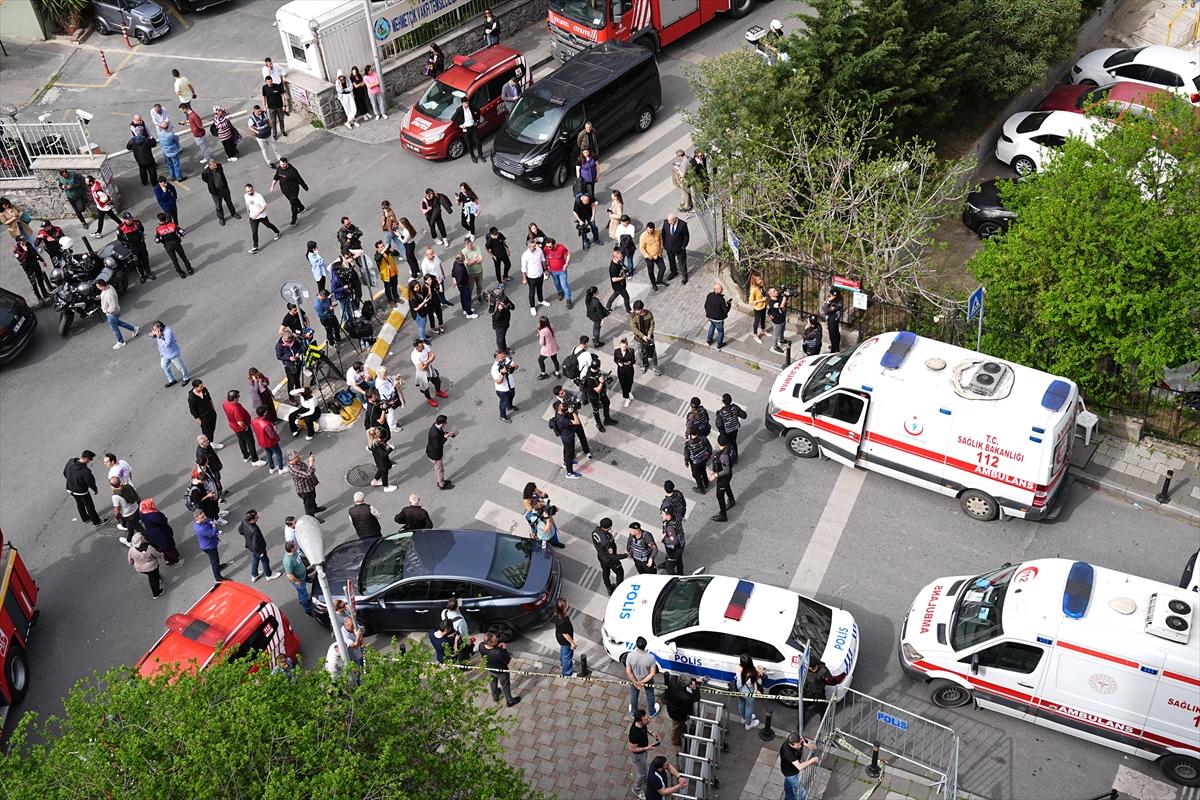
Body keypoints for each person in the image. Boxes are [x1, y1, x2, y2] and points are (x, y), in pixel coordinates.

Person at [65, 450, 106, 526]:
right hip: (81, 491)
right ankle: (96, 521)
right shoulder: (85, 471)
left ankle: (85, 518)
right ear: (87, 458)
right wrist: (95, 489)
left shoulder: (70, 461)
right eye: (90, 459)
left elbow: (65, 473)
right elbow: (90, 482)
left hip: (70, 488)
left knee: (79, 503)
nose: (91, 461)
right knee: (89, 506)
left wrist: (72, 480)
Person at [478, 632, 520, 706]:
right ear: (490, 643)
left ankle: (495, 696)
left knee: (493, 683)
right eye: (495, 640)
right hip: (501, 672)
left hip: (490, 669)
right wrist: (504, 649)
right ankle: (509, 701)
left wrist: (497, 646)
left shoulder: (481, 646)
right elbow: (507, 661)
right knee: (505, 685)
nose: (497, 640)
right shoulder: (498, 652)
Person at [223, 389, 263, 464]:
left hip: (234, 426)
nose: (239, 397)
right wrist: (246, 427)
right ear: (235, 398)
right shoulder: (236, 409)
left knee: (241, 441)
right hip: (242, 428)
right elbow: (240, 422)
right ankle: (255, 460)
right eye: (238, 396)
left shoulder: (225, 403)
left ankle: (246, 456)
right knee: (250, 442)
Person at [239, 510, 280, 582]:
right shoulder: (254, 530)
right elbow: (256, 544)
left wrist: (248, 537)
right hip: (258, 549)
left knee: (255, 559)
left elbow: (240, 531)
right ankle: (269, 575)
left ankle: (254, 574)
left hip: (250, 546)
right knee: (265, 561)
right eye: (256, 516)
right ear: (252, 519)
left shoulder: (244, 521)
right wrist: (260, 552)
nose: (258, 517)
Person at [97, 279, 138, 350]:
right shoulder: (108, 287)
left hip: (112, 314)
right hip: (114, 313)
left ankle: (121, 341)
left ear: (102, 286)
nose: (98, 288)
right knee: (118, 323)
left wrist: (106, 311)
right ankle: (133, 329)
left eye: (98, 287)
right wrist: (100, 296)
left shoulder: (109, 295)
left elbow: (113, 307)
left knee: (114, 328)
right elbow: (105, 294)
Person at [665, 673, 703, 747]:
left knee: (679, 725)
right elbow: (696, 698)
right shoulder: (684, 696)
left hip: (672, 708)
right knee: (677, 727)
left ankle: (682, 729)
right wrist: (695, 688)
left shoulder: (672, 680)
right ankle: (675, 741)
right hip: (678, 715)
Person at [139, 499, 180, 565]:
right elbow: (164, 520)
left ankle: (167, 559)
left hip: (151, 535)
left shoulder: (142, 513)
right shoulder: (155, 516)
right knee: (169, 548)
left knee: (162, 549)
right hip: (161, 534)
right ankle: (174, 558)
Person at [627, 709, 658, 800]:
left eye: (647, 718)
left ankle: (645, 781)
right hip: (638, 756)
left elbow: (644, 729)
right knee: (641, 774)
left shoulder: (641, 725)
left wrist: (651, 733)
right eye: (646, 720)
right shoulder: (634, 734)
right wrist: (646, 748)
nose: (649, 720)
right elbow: (631, 748)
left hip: (643, 752)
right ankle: (636, 789)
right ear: (639, 721)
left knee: (644, 770)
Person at [626, 635, 659, 717]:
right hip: (647, 680)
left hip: (634, 679)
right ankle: (651, 712)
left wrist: (636, 682)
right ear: (645, 645)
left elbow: (628, 671)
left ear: (637, 645)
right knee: (650, 694)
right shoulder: (651, 658)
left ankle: (633, 712)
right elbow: (652, 673)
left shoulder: (630, 655)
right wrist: (642, 682)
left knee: (634, 694)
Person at [590, 517, 626, 593]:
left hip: (601, 557)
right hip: (610, 560)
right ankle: (619, 590)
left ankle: (609, 587)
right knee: (620, 572)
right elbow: (612, 556)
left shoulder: (595, 531)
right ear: (609, 527)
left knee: (605, 572)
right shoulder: (607, 541)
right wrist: (625, 555)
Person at [583, 355, 618, 432]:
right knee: (596, 410)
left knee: (606, 402)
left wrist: (605, 377)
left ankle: (607, 419)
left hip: (601, 393)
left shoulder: (594, 369)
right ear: (598, 367)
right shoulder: (590, 379)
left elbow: (599, 375)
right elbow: (597, 390)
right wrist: (601, 382)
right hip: (594, 396)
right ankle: (599, 424)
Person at [781, 732, 821, 800]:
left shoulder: (799, 740)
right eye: (797, 746)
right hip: (790, 773)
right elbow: (799, 766)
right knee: (803, 793)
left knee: (788, 784)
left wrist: (806, 744)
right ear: (791, 744)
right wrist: (813, 760)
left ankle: (788, 798)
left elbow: (814, 747)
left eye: (800, 744)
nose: (800, 746)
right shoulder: (787, 751)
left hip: (793, 770)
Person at [199, 159, 239, 227]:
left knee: (229, 202)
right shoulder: (206, 172)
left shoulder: (219, 166)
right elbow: (205, 179)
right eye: (213, 164)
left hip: (224, 188)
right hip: (216, 192)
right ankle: (221, 218)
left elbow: (222, 174)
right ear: (209, 165)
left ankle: (233, 213)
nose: (215, 165)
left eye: (215, 163)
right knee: (218, 206)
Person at [153, 211, 193, 278]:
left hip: (168, 246)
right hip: (176, 243)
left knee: (174, 260)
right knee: (183, 257)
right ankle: (189, 270)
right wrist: (180, 236)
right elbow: (182, 232)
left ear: (159, 220)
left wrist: (160, 240)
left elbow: (157, 240)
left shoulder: (158, 229)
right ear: (166, 218)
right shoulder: (173, 225)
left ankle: (181, 274)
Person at [151, 321, 190, 388]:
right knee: (164, 367)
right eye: (153, 329)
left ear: (159, 327)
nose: (154, 330)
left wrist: (159, 336)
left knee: (180, 367)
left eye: (155, 329)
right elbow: (151, 335)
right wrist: (153, 334)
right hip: (164, 354)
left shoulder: (168, 332)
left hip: (172, 353)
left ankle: (186, 378)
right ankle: (171, 380)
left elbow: (167, 344)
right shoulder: (158, 331)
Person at [523, 482, 563, 548]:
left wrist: (542, 495)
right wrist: (543, 511)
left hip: (542, 512)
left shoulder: (536, 492)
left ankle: (556, 542)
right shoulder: (527, 501)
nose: (536, 489)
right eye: (534, 489)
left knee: (553, 529)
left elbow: (543, 495)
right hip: (540, 516)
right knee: (544, 533)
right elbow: (530, 510)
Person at [117, 212, 154, 283]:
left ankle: (148, 273)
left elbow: (142, 229)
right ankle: (142, 276)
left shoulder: (137, 222)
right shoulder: (121, 228)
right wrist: (127, 243)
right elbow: (120, 239)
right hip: (133, 248)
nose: (130, 220)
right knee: (137, 262)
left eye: (131, 218)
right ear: (124, 220)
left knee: (145, 259)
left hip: (141, 245)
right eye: (128, 219)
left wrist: (141, 237)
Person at [271, 157, 308, 226]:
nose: (282, 166)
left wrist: (305, 187)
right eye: (281, 164)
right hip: (285, 191)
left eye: (283, 164)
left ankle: (294, 219)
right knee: (294, 201)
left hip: (293, 191)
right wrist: (272, 185)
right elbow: (276, 177)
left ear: (286, 163)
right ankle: (302, 208)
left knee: (293, 205)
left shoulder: (292, 171)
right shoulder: (279, 168)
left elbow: (299, 179)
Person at [244, 183, 280, 254]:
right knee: (254, 232)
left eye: (251, 190)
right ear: (246, 191)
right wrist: (248, 211)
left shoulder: (259, 196)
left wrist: (257, 214)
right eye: (248, 191)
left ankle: (277, 232)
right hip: (253, 218)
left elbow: (264, 207)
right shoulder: (246, 196)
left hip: (261, 216)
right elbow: (247, 203)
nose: (250, 192)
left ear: (253, 189)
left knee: (268, 225)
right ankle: (255, 247)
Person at [411, 338, 449, 406]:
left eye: (423, 345)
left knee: (437, 381)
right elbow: (422, 368)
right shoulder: (414, 356)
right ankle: (429, 399)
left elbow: (433, 355)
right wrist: (429, 360)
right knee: (425, 388)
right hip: (422, 373)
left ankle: (438, 391)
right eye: (421, 346)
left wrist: (426, 362)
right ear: (416, 347)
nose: (423, 347)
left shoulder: (424, 346)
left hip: (430, 368)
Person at [287, 451, 324, 518]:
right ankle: (311, 519)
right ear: (291, 459)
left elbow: (307, 469)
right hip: (304, 490)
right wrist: (311, 462)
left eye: (298, 455)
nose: (299, 457)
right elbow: (308, 474)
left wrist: (311, 468)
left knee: (313, 498)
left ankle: (315, 509)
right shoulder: (293, 468)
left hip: (309, 486)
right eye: (297, 457)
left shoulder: (298, 462)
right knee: (308, 505)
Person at [127, 533, 165, 598]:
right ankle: (156, 593)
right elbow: (156, 554)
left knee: (152, 575)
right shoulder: (148, 548)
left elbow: (130, 560)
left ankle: (158, 578)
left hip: (140, 568)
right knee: (153, 579)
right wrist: (162, 555)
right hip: (151, 567)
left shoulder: (132, 549)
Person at [193, 509, 226, 582]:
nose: (205, 517)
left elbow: (209, 520)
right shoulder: (201, 528)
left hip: (208, 544)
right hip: (209, 547)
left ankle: (218, 567)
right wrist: (214, 525)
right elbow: (212, 533)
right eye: (202, 517)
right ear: (197, 518)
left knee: (215, 560)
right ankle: (218, 578)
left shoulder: (199, 522)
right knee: (215, 561)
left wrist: (210, 522)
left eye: (204, 515)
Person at [552, 401, 582, 479]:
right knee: (569, 453)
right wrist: (573, 413)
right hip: (568, 437)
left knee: (566, 450)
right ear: (559, 408)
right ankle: (569, 473)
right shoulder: (562, 420)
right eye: (562, 405)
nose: (564, 405)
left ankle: (565, 462)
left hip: (565, 436)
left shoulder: (558, 414)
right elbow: (577, 422)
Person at [281, 540, 313, 616]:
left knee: (301, 593)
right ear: (292, 549)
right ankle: (307, 610)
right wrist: (298, 582)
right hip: (299, 580)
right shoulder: (288, 561)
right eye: (295, 545)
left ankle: (302, 601)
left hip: (302, 577)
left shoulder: (294, 553)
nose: (296, 545)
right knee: (304, 595)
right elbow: (290, 575)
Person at [186, 379, 222, 446]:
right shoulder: (192, 398)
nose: (203, 387)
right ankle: (209, 444)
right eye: (201, 386)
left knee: (212, 428)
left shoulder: (204, 390)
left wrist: (213, 409)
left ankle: (211, 442)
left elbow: (209, 399)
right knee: (206, 432)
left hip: (211, 413)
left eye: (202, 385)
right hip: (203, 417)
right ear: (195, 387)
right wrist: (198, 419)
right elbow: (192, 410)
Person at [715, 393, 748, 464]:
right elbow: (744, 415)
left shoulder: (721, 413)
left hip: (726, 432)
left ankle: (727, 460)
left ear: (723, 402)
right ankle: (735, 458)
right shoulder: (735, 408)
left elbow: (719, 425)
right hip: (735, 430)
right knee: (733, 443)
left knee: (726, 446)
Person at [630, 301, 661, 377]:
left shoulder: (649, 314)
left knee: (653, 352)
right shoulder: (633, 316)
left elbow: (652, 324)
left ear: (642, 308)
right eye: (635, 309)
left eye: (638, 310)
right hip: (639, 338)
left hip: (649, 337)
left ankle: (655, 366)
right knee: (640, 352)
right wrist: (642, 336)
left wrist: (649, 334)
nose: (636, 311)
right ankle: (643, 364)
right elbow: (634, 327)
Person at [735, 652, 765, 730]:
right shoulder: (752, 673)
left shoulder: (737, 667)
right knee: (749, 707)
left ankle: (744, 719)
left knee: (741, 703)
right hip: (748, 692)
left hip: (739, 689)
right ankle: (748, 724)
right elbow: (759, 682)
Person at [426, 414, 456, 490]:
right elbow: (438, 446)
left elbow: (441, 433)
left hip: (431, 451)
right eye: (446, 423)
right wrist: (445, 438)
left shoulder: (435, 425)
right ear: (442, 423)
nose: (446, 423)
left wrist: (448, 434)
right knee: (440, 470)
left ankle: (441, 481)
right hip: (435, 455)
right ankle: (442, 484)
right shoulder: (435, 434)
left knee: (438, 469)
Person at [252, 405, 284, 473]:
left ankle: (271, 468)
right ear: (264, 413)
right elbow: (272, 435)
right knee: (278, 453)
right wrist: (274, 429)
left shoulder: (255, 421)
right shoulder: (266, 424)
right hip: (271, 442)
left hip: (263, 441)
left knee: (269, 453)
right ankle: (281, 468)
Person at [711, 434, 736, 522]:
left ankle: (723, 515)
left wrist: (715, 475)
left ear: (719, 443)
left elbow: (726, 470)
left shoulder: (723, 456)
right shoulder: (729, 448)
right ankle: (731, 499)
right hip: (727, 476)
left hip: (724, 477)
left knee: (720, 495)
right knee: (727, 486)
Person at [520, 240, 548, 316]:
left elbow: (543, 260)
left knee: (540, 288)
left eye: (535, 245)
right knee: (532, 293)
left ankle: (541, 300)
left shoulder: (539, 250)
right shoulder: (525, 255)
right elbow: (524, 268)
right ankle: (532, 307)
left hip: (540, 274)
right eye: (533, 246)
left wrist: (545, 270)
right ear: (528, 246)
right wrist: (524, 278)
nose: (535, 246)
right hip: (531, 277)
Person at [543, 236, 572, 307]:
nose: (548, 248)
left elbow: (568, 253)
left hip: (562, 271)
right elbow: (545, 257)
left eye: (550, 246)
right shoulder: (546, 249)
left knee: (564, 285)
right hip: (552, 271)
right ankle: (560, 292)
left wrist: (566, 264)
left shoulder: (561, 248)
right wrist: (547, 266)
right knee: (556, 283)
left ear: (554, 244)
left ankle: (568, 299)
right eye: (547, 246)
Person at [491, 350, 519, 423]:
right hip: (502, 390)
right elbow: (498, 381)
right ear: (497, 359)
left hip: (511, 385)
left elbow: (516, 366)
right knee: (503, 403)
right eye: (502, 357)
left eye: (504, 356)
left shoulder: (506, 359)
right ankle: (502, 416)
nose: (504, 358)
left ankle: (509, 406)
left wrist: (513, 367)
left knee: (512, 396)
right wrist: (502, 374)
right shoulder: (494, 369)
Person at [661, 213, 689, 284]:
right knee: (671, 261)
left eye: (670, 221)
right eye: (668, 220)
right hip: (669, 247)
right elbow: (663, 234)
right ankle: (674, 272)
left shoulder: (682, 225)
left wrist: (683, 246)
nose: (669, 222)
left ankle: (684, 276)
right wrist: (664, 244)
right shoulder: (666, 223)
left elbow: (686, 237)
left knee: (682, 263)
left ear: (674, 219)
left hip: (679, 248)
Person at [638, 221, 666, 291]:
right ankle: (654, 284)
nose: (650, 232)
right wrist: (647, 256)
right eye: (649, 230)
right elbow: (641, 248)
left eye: (651, 230)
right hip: (649, 257)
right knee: (651, 271)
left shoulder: (657, 232)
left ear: (654, 229)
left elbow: (660, 239)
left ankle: (659, 281)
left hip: (658, 254)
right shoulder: (643, 236)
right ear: (647, 228)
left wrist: (661, 246)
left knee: (662, 268)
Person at [456, 98, 485, 163]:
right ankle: (473, 156)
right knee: (469, 144)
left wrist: (476, 120)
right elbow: (454, 118)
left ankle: (481, 155)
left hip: (473, 127)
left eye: (467, 103)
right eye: (465, 103)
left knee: (478, 142)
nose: (467, 104)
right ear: (462, 103)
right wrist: (460, 125)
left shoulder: (471, 107)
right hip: (466, 129)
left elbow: (478, 111)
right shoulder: (459, 110)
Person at [375, 240, 402, 306]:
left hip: (393, 272)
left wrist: (392, 250)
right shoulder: (377, 255)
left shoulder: (388, 251)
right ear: (377, 248)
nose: (383, 247)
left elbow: (397, 254)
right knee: (388, 289)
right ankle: (391, 300)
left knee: (394, 286)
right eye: (381, 247)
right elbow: (377, 259)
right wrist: (382, 252)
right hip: (386, 276)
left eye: (383, 246)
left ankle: (396, 297)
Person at [704, 283, 731, 349]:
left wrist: (708, 313)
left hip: (710, 317)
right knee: (720, 331)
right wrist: (729, 304)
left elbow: (705, 305)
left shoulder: (709, 295)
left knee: (712, 327)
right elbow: (726, 310)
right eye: (721, 289)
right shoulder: (721, 299)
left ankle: (708, 341)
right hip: (718, 319)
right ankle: (719, 344)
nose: (722, 290)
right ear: (716, 290)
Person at [489, 285, 515, 352]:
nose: (503, 299)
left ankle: (505, 349)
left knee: (503, 337)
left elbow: (513, 307)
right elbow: (496, 318)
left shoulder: (505, 299)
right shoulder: (494, 305)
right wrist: (499, 310)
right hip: (499, 325)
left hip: (506, 321)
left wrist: (508, 305)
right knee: (500, 339)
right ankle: (501, 351)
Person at [553, 598, 576, 677]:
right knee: (567, 655)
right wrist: (572, 643)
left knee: (563, 651)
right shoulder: (562, 621)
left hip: (560, 637)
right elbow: (565, 634)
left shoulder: (557, 614)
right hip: (565, 640)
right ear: (562, 608)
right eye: (566, 604)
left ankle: (563, 664)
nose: (567, 605)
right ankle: (567, 673)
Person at [605, 248, 632, 313]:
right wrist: (623, 277)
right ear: (615, 257)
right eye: (620, 257)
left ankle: (607, 306)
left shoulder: (617, 262)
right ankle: (628, 310)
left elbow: (621, 269)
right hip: (619, 286)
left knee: (615, 294)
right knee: (626, 298)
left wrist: (625, 270)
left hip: (620, 285)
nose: (622, 257)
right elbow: (614, 279)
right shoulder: (613, 267)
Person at [461, 232, 485, 301]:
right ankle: (469, 298)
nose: (471, 246)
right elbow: (468, 264)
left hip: (479, 271)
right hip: (471, 273)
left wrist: (472, 261)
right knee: (470, 287)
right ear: (466, 245)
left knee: (480, 286)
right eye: (470, 246)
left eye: (472, 244)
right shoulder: (463, 252)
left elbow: (481, 259)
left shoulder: (477, 247)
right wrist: (476, 259)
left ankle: (478, 295)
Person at [660, 506, 685, 576]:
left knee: (669, 566)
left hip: (674, 550)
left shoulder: (670, 527)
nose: (661, 515)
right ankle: (680, 574)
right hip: (681, 544)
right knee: (679, 560)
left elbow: (673, 541)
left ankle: (674, 579)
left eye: (663, 514)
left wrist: (664, 538)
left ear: (668, 516)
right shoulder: (676, 517)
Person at [613, 337, 636, 407]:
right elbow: (615, 359)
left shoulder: (631, 351)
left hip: (629, 369)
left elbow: (633, 360)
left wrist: (629, 363)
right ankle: (627, 398)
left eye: (625, 347)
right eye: (622, 347)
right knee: (623, 384)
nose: (623, 348)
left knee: (630, 382)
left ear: (627, 345)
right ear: (620, 346)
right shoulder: (617, 351)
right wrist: (618, 363)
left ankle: (629, 392)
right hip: (621, 370)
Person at [768, 286, 790, 353]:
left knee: (782, 330)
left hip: (782, 318)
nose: (776, 292)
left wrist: (786, 294)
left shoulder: (778, 296)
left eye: (775, 290)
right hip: (777, 321)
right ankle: (775, 346)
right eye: (774, 291)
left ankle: (781, 340)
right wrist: (785, 297)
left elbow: (785, 299)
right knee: (776, 334)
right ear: (770, 294)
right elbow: (781, 305)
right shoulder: (772, 303)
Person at [749, 274, 768, 343]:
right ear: (754, 281)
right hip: (758, 308)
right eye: (758, 279)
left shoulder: (760, 286)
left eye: (760, 278)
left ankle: (763, 331)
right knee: (756, 322)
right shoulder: (753, 289)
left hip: (763, 306)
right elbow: (750, 301)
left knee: (763, 319)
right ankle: (755, 335)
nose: (760, 280)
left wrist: (763, 285)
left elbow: (764, 293)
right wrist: (762, 300)